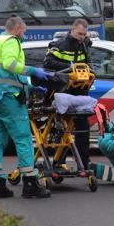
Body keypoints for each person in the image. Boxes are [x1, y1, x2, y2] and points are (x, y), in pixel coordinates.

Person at [0, 15, 53, 199]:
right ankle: (30, 183)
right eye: (24, 31)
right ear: (17, 29)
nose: (25, 34)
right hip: (8, 98)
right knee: (23, 138)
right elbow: (10, 65)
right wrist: (33, 71)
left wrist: (30, 86)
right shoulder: (12, 41)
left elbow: (5, 73)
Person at [43, 18, 93, 170]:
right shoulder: (59, 45)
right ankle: (59, 162)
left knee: (83, 130)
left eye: (84, 34)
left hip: (80, 92)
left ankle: (84, 163)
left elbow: (88, 65)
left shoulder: (84, 46)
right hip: (64, 92)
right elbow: (48, 63)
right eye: (79, 34)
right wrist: (70, 67)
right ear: (72, 30)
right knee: (63, 130)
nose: (82, 37)